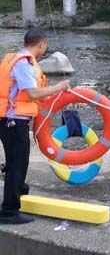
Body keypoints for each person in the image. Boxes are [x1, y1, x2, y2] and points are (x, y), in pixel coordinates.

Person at [0, 29, 70, 224]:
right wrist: (59, 87)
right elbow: (31, 93)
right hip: (14, 120)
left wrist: (53, 95)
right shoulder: (24, 63)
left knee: (15, 160)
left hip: (8, 119)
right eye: (45, 46)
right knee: (18, 163)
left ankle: (19, 190)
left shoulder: (12, 58)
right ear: (41, 45)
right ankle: (9, 211)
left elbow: (24, 93)